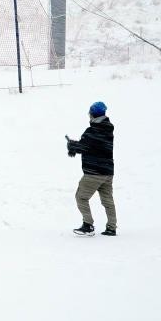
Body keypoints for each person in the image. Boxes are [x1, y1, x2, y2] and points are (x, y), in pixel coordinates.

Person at [66, 101, 117, 236]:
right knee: (107, 200)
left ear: (93, 114)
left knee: (81, 197)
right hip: (107, 171)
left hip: (94, 172)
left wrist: (72, 146)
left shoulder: (93, 131)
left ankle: (88, 225)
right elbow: (92, 146)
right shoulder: (108, 129)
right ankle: (112, 227)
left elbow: (84, 147)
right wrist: (76, 145)